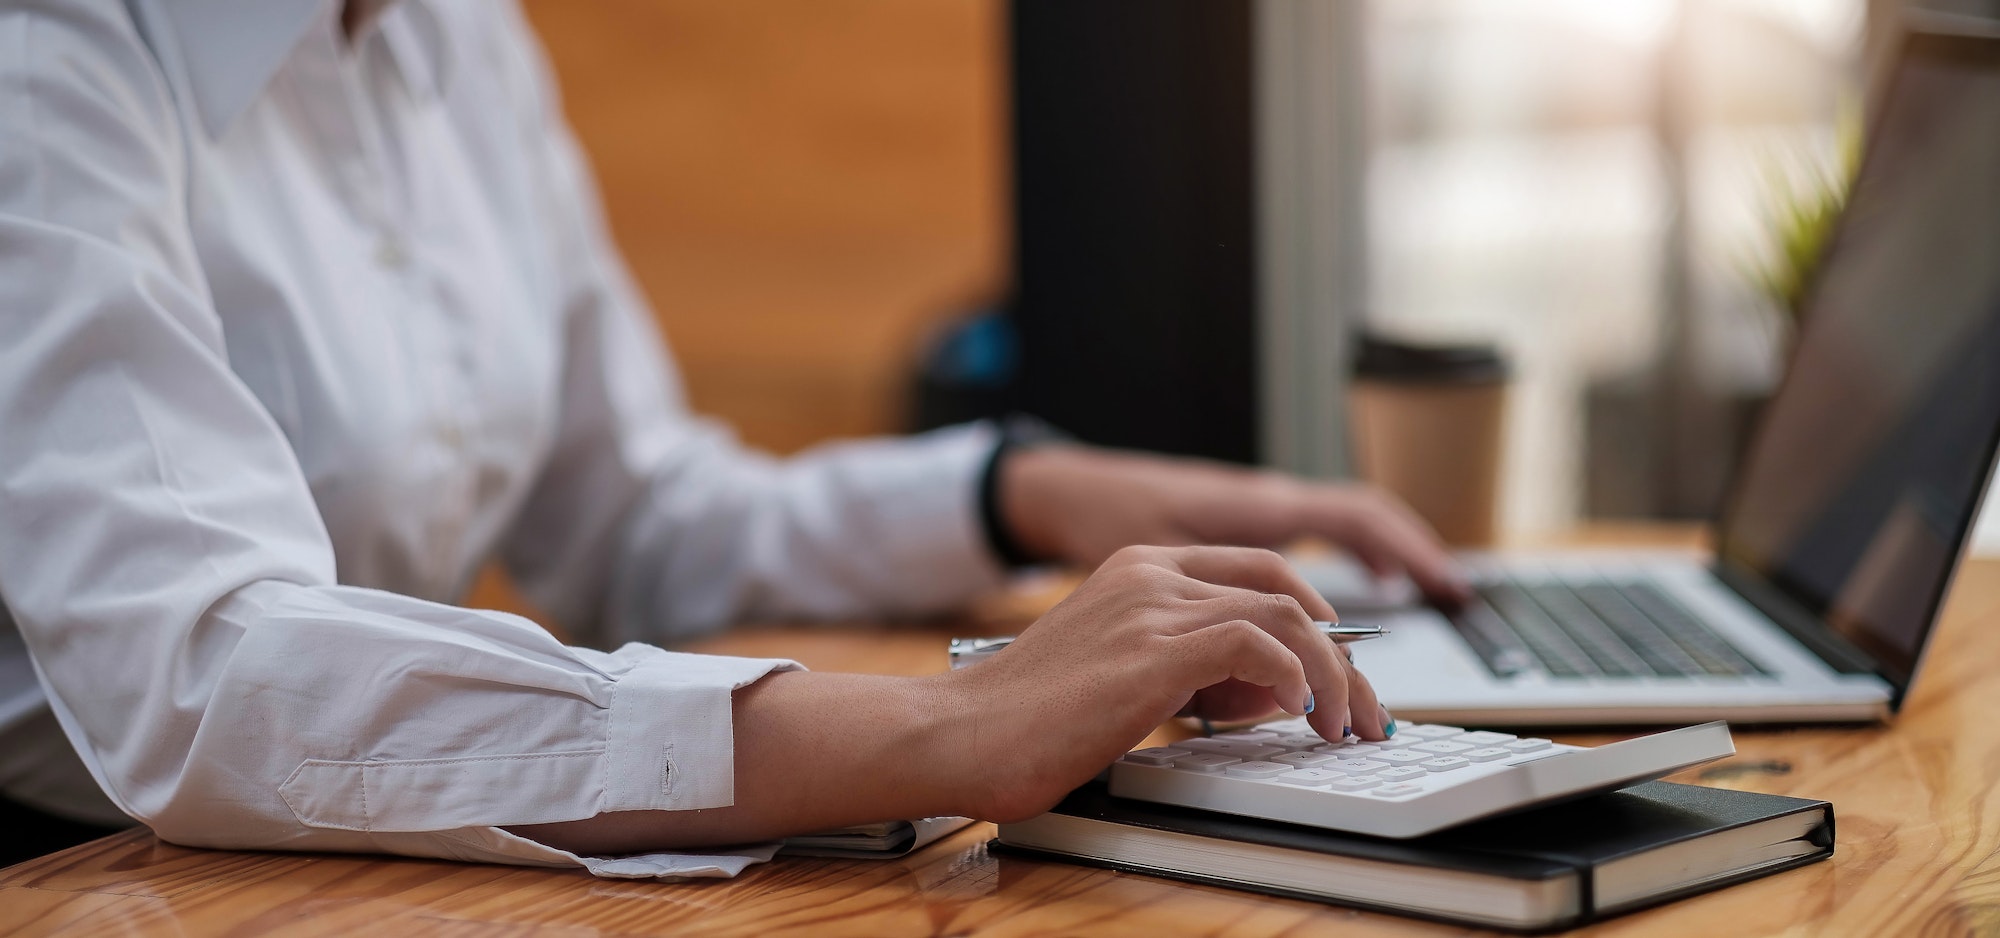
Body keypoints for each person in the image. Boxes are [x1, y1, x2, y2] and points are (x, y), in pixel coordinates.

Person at [0, 0, 1465, 874]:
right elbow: (212, 685)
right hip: (81, 877)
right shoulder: (45, 67)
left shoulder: (453, 35)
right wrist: (952, 728)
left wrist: (1022, 487)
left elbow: (635, 518)